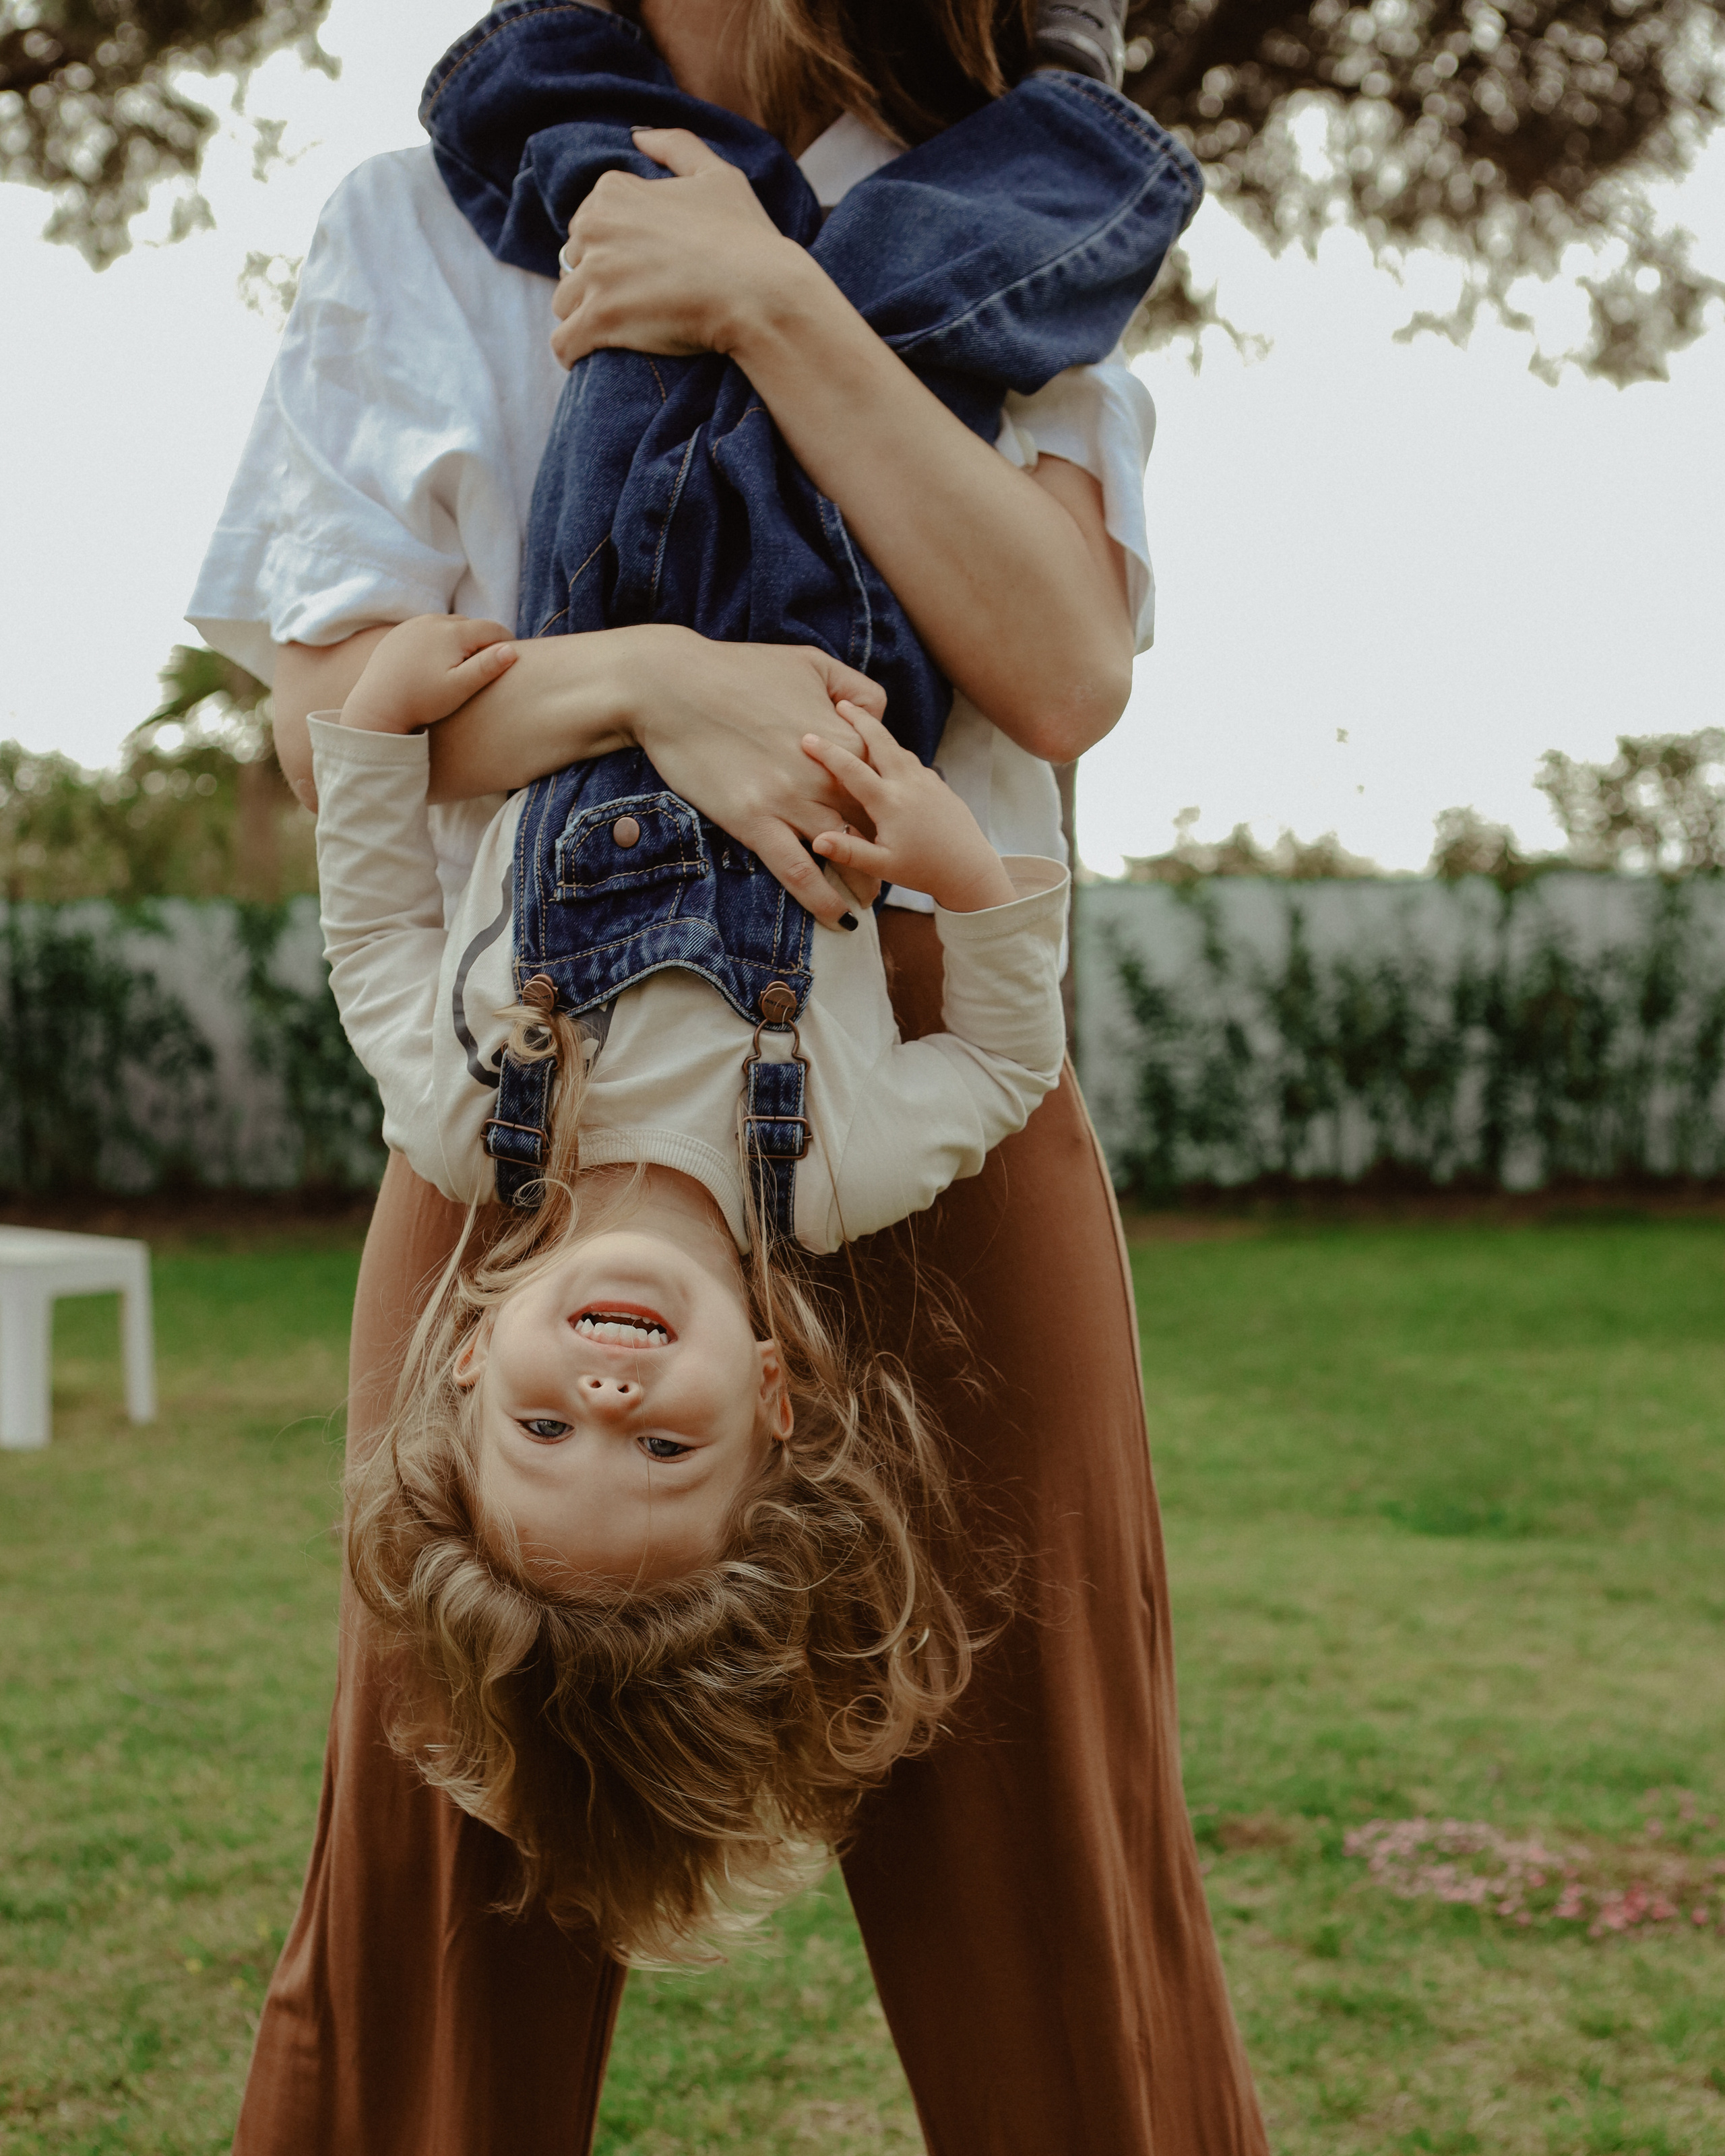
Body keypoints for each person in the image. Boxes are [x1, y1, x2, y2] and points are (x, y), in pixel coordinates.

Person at [190, 1, 1271, 2148]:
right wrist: (658, 685)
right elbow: (328, 737)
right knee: (452, 1815)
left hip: (919, 1063)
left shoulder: (1000, 195)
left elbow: (1061, 666)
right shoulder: (416, 219)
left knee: (1052, 1841)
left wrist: (772, 299)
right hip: (527, 1148)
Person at [313, 615, 1069, 1962]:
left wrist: (374, 725)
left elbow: (373, 940)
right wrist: (961, 871)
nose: (607, 1400)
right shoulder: (836, 1168)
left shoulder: (463, 1121)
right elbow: (1006, 1068)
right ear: (773, 1401)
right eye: (663, 1449)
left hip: (577, 607)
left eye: (545, 1430)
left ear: (472, 1361)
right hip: (831, 628)